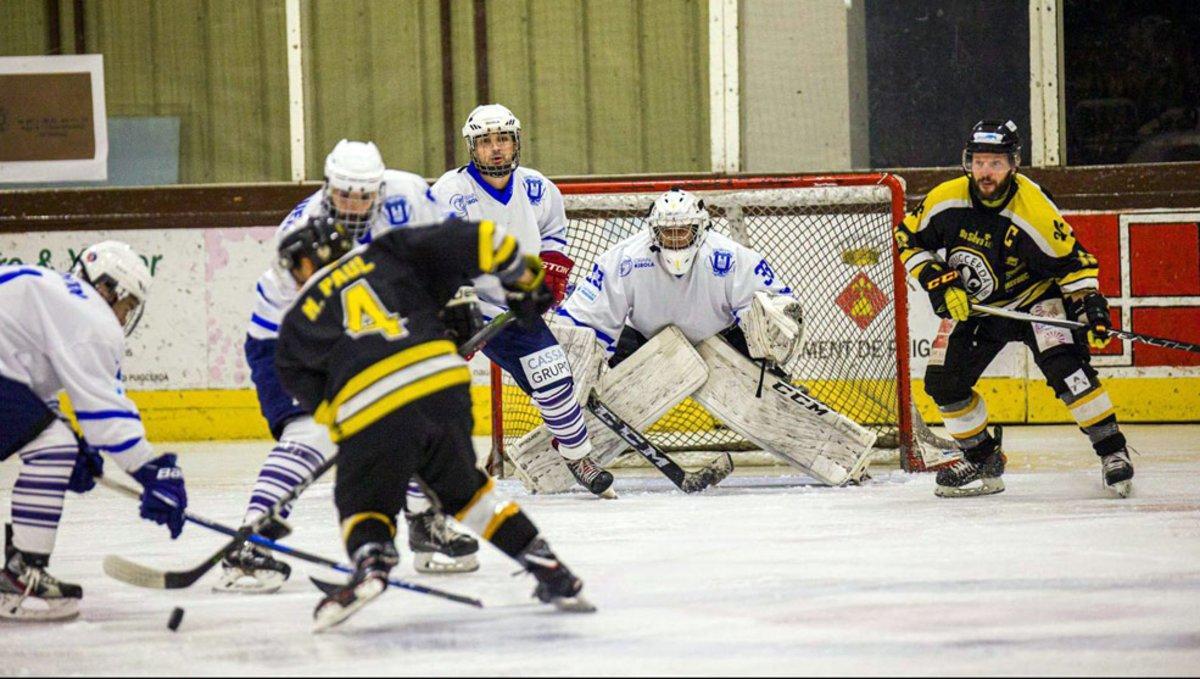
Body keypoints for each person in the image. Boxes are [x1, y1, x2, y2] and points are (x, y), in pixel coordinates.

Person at [273, 214, 593, 630]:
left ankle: (373, 560)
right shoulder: (388, 252)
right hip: (442, 385)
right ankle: (548, 567)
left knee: (362, 502)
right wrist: (524, 280)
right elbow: (483, 236)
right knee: (466, 492)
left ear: (304, 262)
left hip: (371, 411)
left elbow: (308, 389)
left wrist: (359, 439)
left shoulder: (296, 322)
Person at [223, 140, 478, 593]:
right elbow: (314, 329)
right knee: (314, 434)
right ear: (328, 188)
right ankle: (252, 540)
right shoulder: (300, 235)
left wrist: (457, 298)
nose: (356, 206)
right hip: (289, 344)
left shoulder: (405, 194)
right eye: (346, 195)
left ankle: (424, 522)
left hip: (364, 329)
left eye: (365, 195)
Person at [532, 188, 876, 489]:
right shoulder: (624, 260)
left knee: (761, 352)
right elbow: (583, 321)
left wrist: (771, 335)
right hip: (643, 342)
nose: (676, 239)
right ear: (653, 232)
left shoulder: (731, 258)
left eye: (684, 232)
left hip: (721, 338)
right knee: (590, 357)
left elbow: (778, 311)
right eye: (668, 233)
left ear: (701, 229)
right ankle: (571, 443)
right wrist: (578, 374)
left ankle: (824, 439)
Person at [894, 119, 1134, 498]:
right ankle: (982, 457)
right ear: (967, 162)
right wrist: (937, 279)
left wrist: (1090, 308)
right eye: (979, 162)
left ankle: (1112, 451)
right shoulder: (946, 199)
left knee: (1069, 372)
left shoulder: (1034, 210)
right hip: (984, 310)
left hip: (1037, 302)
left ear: (1013, 164)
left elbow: (1075, 264)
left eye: (996, 162)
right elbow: (908, 239)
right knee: (945, 385)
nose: (986, 172)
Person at [0, 242, 188, 620]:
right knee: (52, 447)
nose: (123, 318)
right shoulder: (89, 315)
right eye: (127, 305)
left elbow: (27, 383)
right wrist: (152, 470)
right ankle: (21, 577)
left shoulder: (56, 295)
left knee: (55, 443)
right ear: (106, 289)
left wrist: (75, 447)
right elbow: (106, 413)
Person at [430, 104, 610, 496]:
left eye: (503, 139)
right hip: (463, 302)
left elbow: (553, 237)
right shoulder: (450, 192)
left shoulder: (538, 188)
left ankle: (577, 455)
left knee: (553, 375)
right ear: (472, 148)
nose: (495, 149)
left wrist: (549, 277)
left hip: (515, 306)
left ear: (516, 143)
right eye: (486, 142)